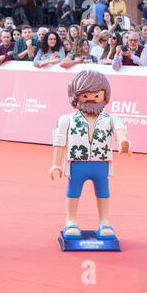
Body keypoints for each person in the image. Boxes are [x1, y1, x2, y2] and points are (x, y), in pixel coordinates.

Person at [50, 70, 131, 241]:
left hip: (101, 163)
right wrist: (56, 163)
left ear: (104, 94)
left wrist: (124, 142)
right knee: (73, 191)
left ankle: (104, 222)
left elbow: (119, 131)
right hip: (77, 163)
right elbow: (59, 141)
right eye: (85, 94)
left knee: (103, 191)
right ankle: (70, 221)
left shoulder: (110, 118)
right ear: (76, 95)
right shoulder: (67, 119)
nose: (92, 98)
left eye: (96, 94)